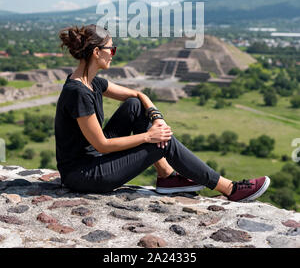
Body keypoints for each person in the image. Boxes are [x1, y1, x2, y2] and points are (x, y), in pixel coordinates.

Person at [54, 24, 271, 202]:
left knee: (134, 106)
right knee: (163, 142)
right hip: (83, 175)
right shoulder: (78, 92)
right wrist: (150, 136)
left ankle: (166, 175)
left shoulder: (93, 83)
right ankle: (230, 189)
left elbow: (138, 95)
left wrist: (157, 118)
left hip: (93, 159)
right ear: (96, 52)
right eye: (112, 49)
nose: (113, 54)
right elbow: (102, 144)